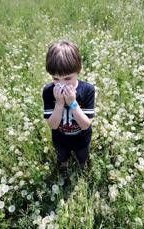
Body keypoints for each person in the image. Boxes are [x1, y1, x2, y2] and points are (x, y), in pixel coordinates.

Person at [42, 40, 95, 186]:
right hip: (60, 138)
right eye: (55, 79)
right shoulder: (48, 91)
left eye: (67, 78)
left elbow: (85, 125)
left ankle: (82, 167)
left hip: (82, 138)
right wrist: (59, 103)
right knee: (62, 156)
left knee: (82, 155)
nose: (61, 84)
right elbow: (52, 125)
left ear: (78, 71)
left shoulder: (88, 90)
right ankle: (63, 167)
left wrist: (72, 102)